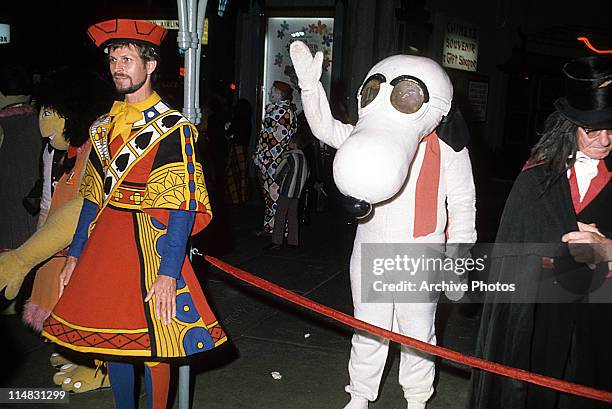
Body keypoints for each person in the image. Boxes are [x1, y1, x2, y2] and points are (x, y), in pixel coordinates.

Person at [40, 19, 227, 409]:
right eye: (112, 59)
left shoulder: (173, 128)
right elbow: (92, 198)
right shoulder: (103, 126)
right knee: (114, 343)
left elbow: (181, 205)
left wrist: (168, 272)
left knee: (157, 344)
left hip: (151, 246)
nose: (117, 67)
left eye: (126, 58)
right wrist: (74, 254)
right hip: (105, 246)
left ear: (150, 65)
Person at [290, 41, 476, 409]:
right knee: (369, 326)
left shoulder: (449, 151)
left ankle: (417, 399)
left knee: (417, 331)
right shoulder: (366, 136)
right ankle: (360, 394)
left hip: (421, 249)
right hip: (370, 245)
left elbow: (463, 202)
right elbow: (327, 129)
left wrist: (459, 253)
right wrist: (311, 88)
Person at [468, 55, 612, 409]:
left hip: (600, 313)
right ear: (570, 127)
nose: (605, 139)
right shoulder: (538, 172)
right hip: (542, 306)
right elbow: (514, 241)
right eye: (592, 130)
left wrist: (607, 248)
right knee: (534, 388)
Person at [252, 80, 297, 235]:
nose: (270, 94)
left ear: (279, 94)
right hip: (272, 159)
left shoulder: (281, 111)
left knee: (274, 194)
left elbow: (270, 137)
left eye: (272, 92)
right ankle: (273, 227)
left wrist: (261, 155)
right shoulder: (283, 110)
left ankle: (276, 229)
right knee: (272, 194)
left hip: (273, 160)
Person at [266, 133, 310, 250]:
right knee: (292, 216)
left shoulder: (290, 157)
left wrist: (278, 180)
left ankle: (276, 241)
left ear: (294, 144)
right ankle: (293, 242)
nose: (289, 143)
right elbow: (307, 174)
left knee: (280, 215)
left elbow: (279, 172)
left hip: (287, 190)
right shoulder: (305, 159)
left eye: (290, 141)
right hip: (297, 193)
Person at [224, 98, 252, 204]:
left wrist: (228, 130)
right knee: (242, 173)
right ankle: (243, 196)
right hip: (243, 148)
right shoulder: (247, 120)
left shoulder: (237, 119)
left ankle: (234, 197)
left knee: (232, 172)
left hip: (236, 147)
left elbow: (229, 133)